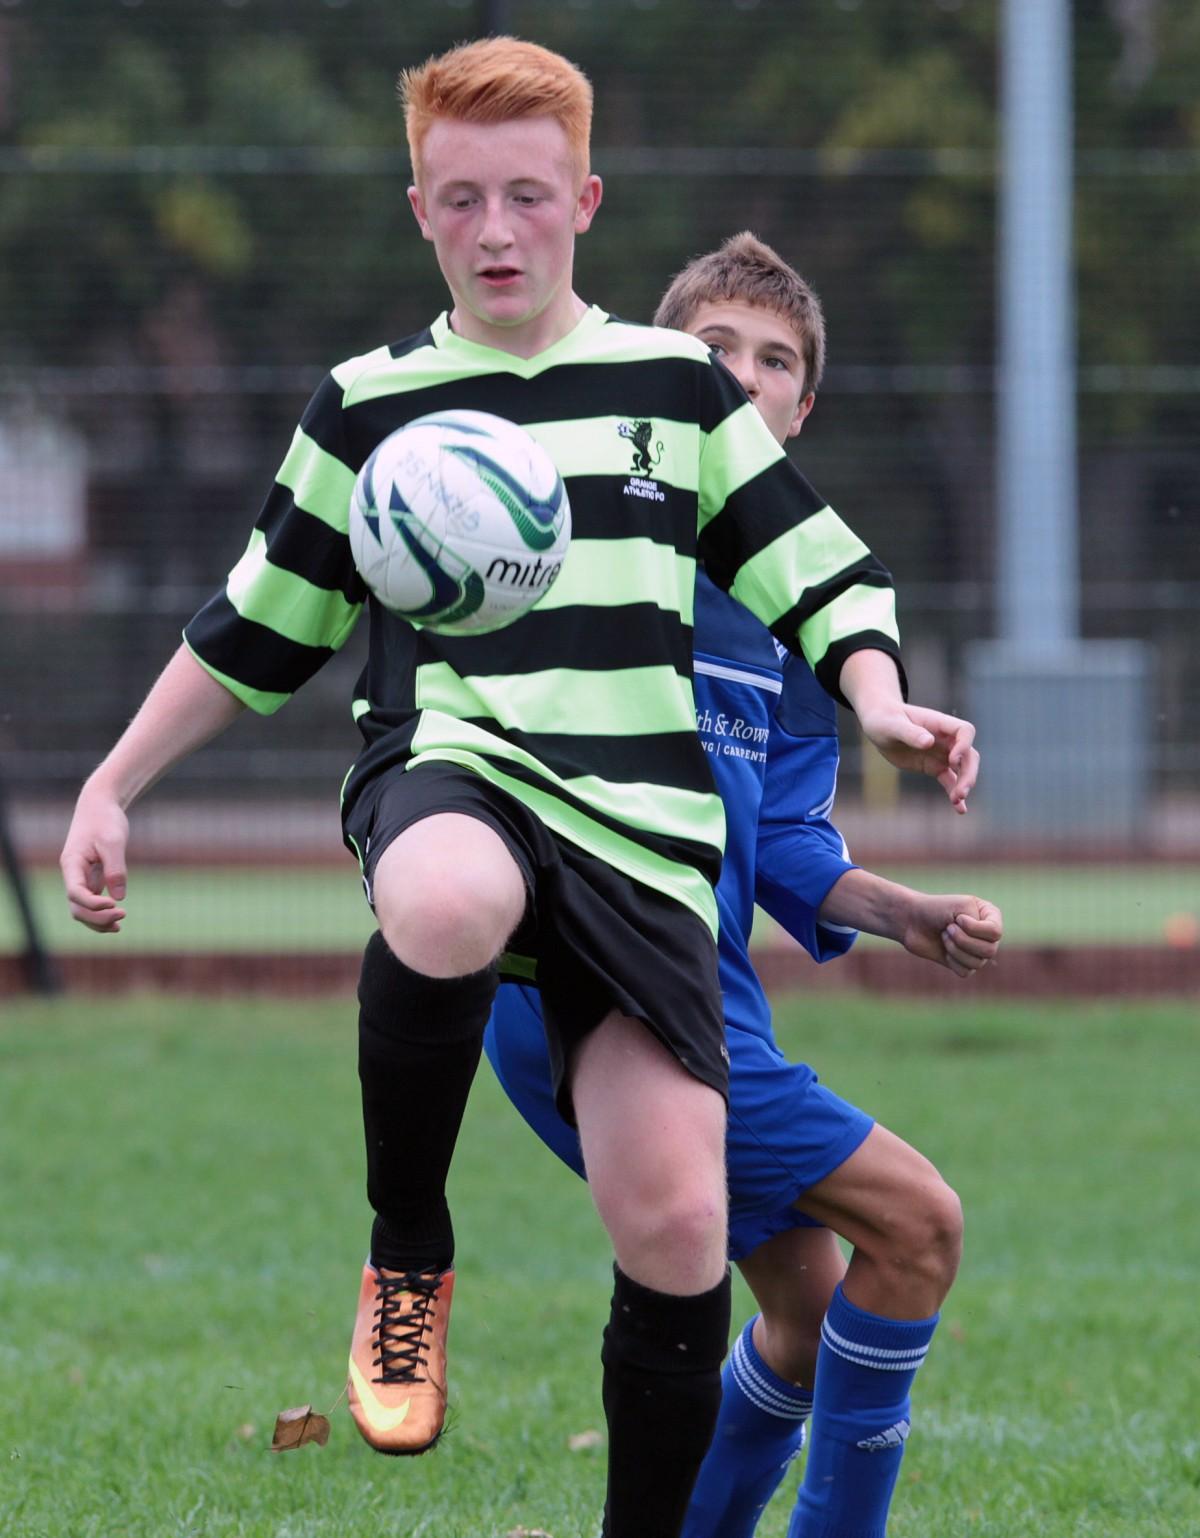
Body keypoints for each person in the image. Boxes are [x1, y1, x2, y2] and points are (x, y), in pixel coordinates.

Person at [59, 40, 979, 1538]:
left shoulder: (674, 387)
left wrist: (883, 698)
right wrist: (111, 783)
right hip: (457, 775)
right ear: (418, 206)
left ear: (587, 204)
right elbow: (257, 628)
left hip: (648, 848)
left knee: (682, 1223)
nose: (498, 231)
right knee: (444, 889)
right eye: (464, 198)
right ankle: (407, 1254)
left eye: (530, 198)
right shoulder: (369, 405)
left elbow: (817, 573)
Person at [484, 232, 1002, 1538]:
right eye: (716, 348)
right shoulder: (591, 529)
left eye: (775, 361)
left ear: (801, 406)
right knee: (921, 1224)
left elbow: (779, 838)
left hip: (712, 997)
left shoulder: (796, 596)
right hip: (607, 990)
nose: (745, 375)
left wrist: (904, 912)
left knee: (809, 1301)